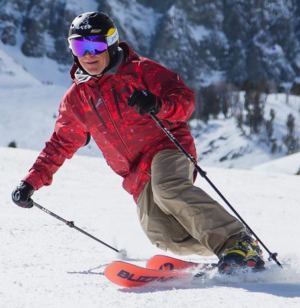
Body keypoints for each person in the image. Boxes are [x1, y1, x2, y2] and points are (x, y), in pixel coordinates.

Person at [12, 11, 264, 273]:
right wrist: (31, 182)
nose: (89, 54)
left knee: (168, 187)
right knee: (162, 234)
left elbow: (185, 100)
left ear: (111, 43)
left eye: (95, 45)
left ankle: (237, 241)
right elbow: (60, 143)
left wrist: (158, 104)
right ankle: (228, 250)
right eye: (79, 46)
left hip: (167, 148)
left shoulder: (142, 71)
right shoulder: (77, 99)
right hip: (135, 174)